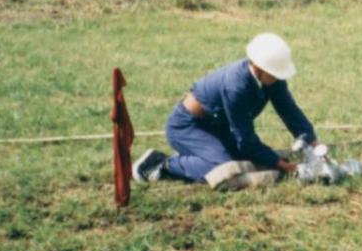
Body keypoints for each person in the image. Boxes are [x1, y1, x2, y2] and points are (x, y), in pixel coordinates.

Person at [132, 33, 313, 189]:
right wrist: (286, 167)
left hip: (217, 128)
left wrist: (313, 143)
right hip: (186, 127)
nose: (279, 77)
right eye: (275, 73)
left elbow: (290, 111)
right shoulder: (236, 86)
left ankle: (197, 156)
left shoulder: (272, 78)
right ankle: (163, 164)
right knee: (224, 168)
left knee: (246, 160)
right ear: (258, 67)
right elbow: (246, 139)